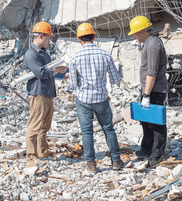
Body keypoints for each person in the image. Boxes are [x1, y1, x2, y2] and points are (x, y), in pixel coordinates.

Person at [68, 23, 123, 172]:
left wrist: (71, 89)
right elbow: (115, 79)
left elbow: (73, 84)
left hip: (84, 100)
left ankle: (91, 164)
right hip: (101, 99)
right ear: (94, 36)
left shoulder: (75, 58)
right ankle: (116, 161)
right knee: (108, 129)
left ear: (79, 39)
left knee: (87, 132)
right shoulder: (105, 55)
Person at [23, 21, 68, 160]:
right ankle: (31, 154)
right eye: (48, 38)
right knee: (35, 124)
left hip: (47, 93)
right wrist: (57, 70)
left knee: (44, 125)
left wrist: (63, 73)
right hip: (38, 93)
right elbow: (41, 73)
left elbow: (49, 71)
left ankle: (42, 151)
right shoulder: (31, 54)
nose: (49, 41)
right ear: (41, 36)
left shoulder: (43, 53)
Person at [128, 16, 168, 167]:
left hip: (154, 91)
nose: (134, 36)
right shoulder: (148, 43)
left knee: (156, 124)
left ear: (143, 31)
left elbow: (151, 73)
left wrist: (146, 95)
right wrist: (141, 49)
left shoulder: (152, 46)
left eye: (135, 33)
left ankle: (157, 154)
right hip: (149, 89)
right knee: (146, 122)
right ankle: (146, 148)